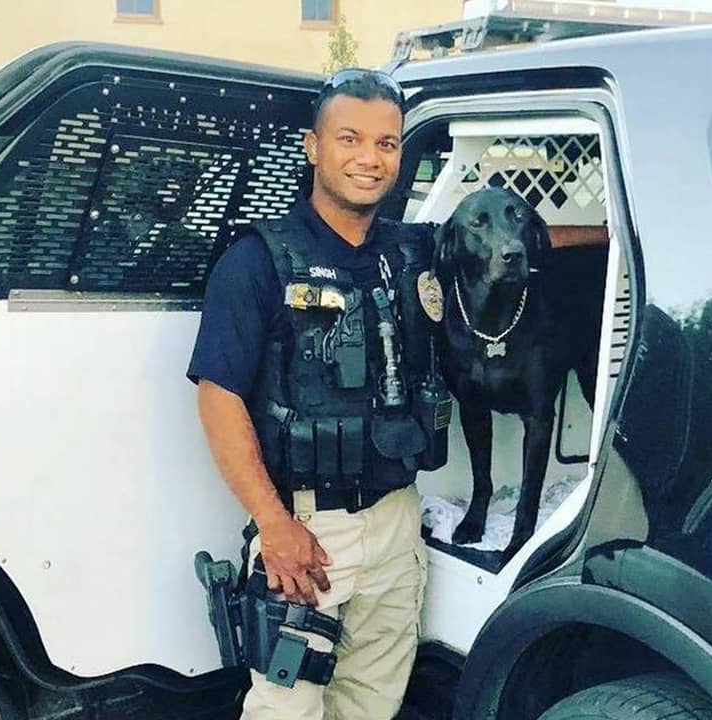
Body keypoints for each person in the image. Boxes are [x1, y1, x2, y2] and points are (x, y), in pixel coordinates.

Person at [186, 69, 447, 720]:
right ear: (313, 146)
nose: (369, 158)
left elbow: (513, 243)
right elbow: (219, 398)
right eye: (350, 138)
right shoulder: (257, 261)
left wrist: (622, 236)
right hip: (307, 533)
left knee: (371, 706)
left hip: (396, 520)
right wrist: (274, 525)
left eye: (387, 144)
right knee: (286, 710)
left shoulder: (410, 253)